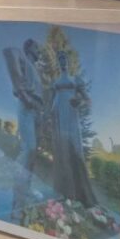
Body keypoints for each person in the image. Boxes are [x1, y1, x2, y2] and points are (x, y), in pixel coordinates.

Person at [49, 49, 97, 207]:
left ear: (68, 61)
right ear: (58, 63)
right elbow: (51, 101)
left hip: (70, 113)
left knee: (74, 147)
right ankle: (63, 192)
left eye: (64, 58)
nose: (62, 61)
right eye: (60, 59)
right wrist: (49, 114)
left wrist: (79, 102)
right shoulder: (55, 81)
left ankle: (80, 194)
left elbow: (87, 100)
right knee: (61, 149)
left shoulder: (75, 79)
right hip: (57, 114)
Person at [3, 38, 46, 209]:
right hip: (27, 106)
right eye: (36, 47)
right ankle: (18, 189)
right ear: (28, 48)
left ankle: (25, 188)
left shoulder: (36, 70)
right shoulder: (22, 56)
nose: (39, 50)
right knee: (29, 148)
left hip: (37, 111)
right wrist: (23, 93)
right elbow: (9, 52)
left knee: (33, 153)